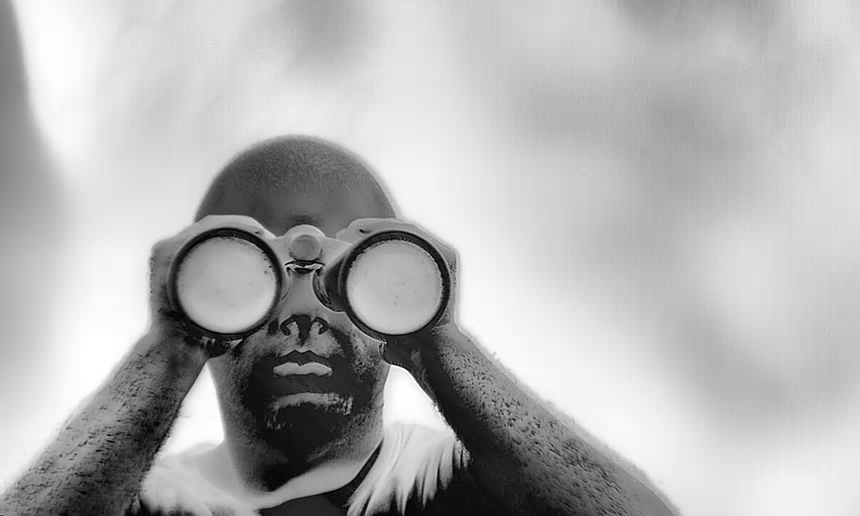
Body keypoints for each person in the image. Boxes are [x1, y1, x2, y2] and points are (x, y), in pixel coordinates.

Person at [0, 136, 679, 516]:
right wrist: (168, 350)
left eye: (344, 276)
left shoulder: (466, 483)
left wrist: (438, 343)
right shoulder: (144, 498)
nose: (302, 316)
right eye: (254, 276)